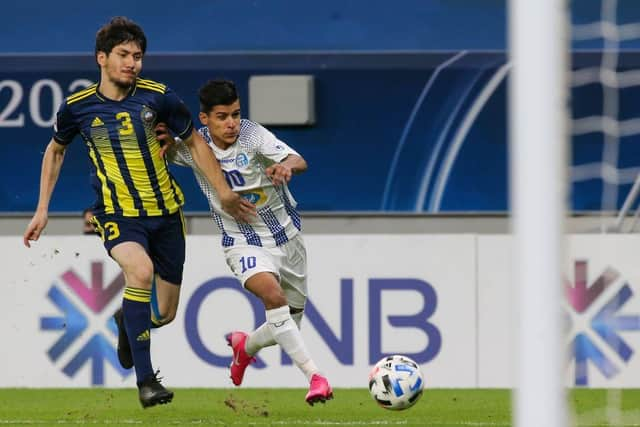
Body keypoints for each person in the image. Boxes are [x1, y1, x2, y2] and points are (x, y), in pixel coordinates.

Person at [22, 17, 255, 408]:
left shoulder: (158, 97)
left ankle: (124, 324)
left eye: (138, 56)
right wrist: (41, 209)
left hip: (166, 215)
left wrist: (224, 192)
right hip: (116, 215)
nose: (133, 63)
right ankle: (147, 382)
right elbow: (56, 150)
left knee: (163, 314)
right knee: (140, 272)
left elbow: (194, 143)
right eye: (124, 55)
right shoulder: (78, 108)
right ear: (102, 58)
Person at [157, 79, 333, 405]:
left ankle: (245, 346)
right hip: (242, 241)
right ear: (205, 119)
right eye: (222, 116)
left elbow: (299, 159)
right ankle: (316, 377)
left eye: (236, 114)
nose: (232, 123)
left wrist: (284, 166)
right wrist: (162, 146)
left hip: (288, 239)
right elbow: (163, 150)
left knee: (288, 323)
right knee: (273, 296)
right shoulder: (195, 146)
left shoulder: (253, 136)